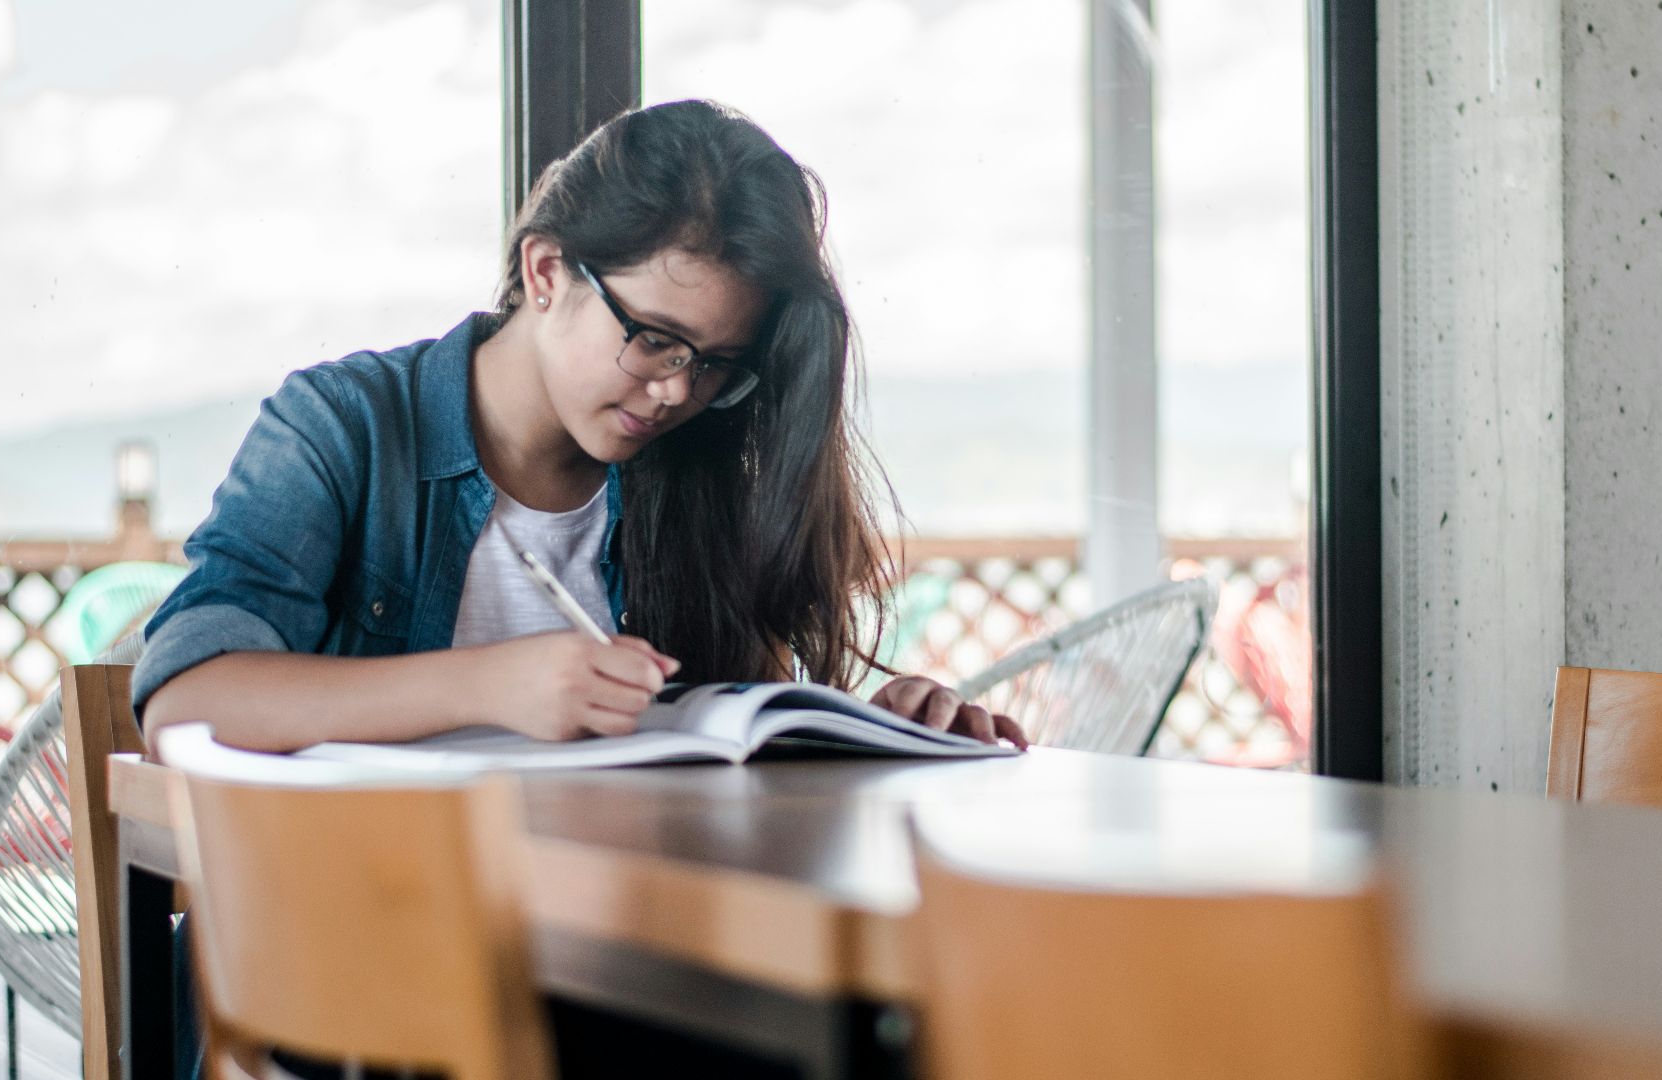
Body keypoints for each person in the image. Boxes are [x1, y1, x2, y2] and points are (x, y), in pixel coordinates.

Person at [135, 99, 1026, 752]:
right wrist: (491, 682)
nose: (678, 391)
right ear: (548, 269)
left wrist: (882, 728)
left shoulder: (695, 470)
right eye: (656, 340)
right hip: (342, 944)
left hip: (598, 940)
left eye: (714, 363)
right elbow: (187, 697)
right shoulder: (345, 426)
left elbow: (735, 750)